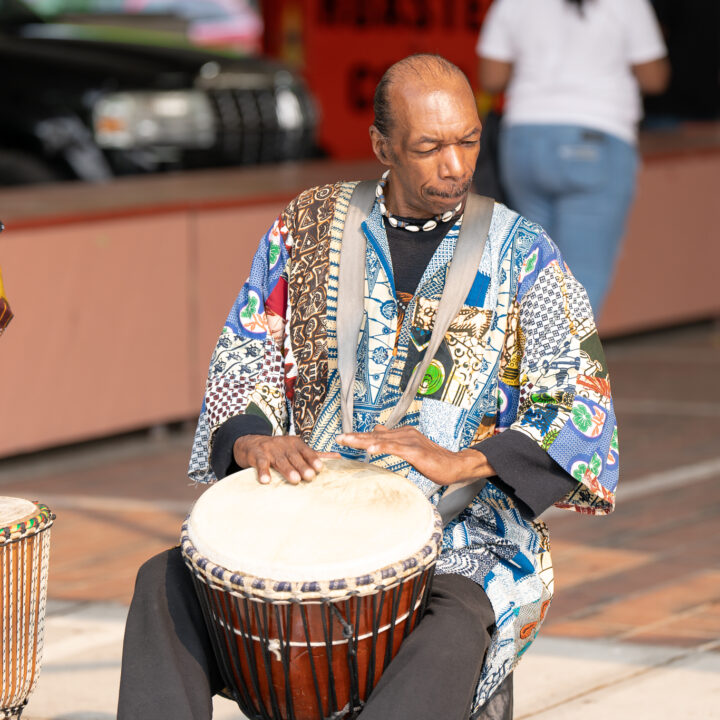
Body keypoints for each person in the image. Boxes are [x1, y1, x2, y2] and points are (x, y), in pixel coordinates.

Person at [118, 54, 619, 720]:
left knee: (453, 623)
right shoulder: (307, 225)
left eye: (468, 139)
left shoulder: (524, 253)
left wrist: (465, 461)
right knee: (164, 582)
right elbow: (246, 350)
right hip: (307, 512)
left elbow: (582, 402)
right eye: (429, 146)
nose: (456, 166)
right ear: (382, 147)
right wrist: (250, 443)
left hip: (463, 540)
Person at [477, 0, 669, 317]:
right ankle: (560, 364)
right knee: (581, 281)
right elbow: (654, 78)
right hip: (597, 140)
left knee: (532, 274)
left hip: (524, 139)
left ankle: (526, 362)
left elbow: (492, 76)